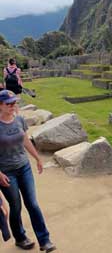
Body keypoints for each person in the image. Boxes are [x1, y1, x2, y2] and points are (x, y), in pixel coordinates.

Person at [0, 90, 56, 252]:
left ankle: (44, 240)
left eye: (14, 103)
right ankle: (20, 237)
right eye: (8, 103)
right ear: (0, 105)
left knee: (32, 203)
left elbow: (25, 139)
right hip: (6, 172)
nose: (12, 106)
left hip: (23, 167)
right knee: (16, 206)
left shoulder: (19, 119)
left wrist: (37, 158)